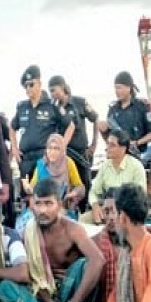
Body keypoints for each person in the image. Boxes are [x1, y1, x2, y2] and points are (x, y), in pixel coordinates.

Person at [21, 178, 104, 302]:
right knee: (6, 286)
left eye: (48, 203)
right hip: (43, 293)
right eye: (38, 203)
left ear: (59, 205)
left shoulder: (72, 229)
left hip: (72, 294)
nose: (42, 210)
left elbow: (98, 260)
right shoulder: (29, 231)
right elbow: (33, 275)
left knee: (82, 265)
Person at [10, 65, 75, 191]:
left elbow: (70, 126)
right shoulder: (22, 107)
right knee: (27, 195)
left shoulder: (52, 105)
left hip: (45, 158)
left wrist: (60, 147)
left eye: (31, 84)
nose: (28, 88)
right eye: (26, 86)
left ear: (39, 83)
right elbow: (12, 127)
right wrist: (14, 148)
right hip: (26, 159)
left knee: (46, 193)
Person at [48, 74, 98, 209]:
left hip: (81, 153)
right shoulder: (54, 109)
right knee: (67, 189)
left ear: (63, 87)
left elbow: (95, 118)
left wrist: (94, 144)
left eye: (54, 90)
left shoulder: (79, 102)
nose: (53, 94)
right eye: (50, 91)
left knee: (85, 185)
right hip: (65, 155)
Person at [85, 130, 147, 225]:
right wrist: (95, 205)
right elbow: (94, 191)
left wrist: (118, 212)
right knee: (82, 221)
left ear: (123, 148)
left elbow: (139, 197)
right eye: (107, 144)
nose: (107, 148)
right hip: (107, 211)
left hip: (128, 214)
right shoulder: (105, 166)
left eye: (112, 145)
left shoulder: (136, 167)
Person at [22, 133, 85, 218]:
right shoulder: (41, 164)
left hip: (62, 208)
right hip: (42, 208)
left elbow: (80, 187)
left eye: (56, 148)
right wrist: (27, 187)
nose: (52, 152)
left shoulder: (68, 163)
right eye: (50, 148)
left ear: (62, 150)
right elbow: (33, 189)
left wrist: (71, 195)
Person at [97, 71, 151, 159]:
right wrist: (104, 132)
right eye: (115, 88)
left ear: (129, 87)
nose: (116, 91)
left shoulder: (142, 107)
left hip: (135, 156)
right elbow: (109, 139)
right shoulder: (113, 109)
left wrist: (136, 143)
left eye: (119, 88)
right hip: (116, 156)